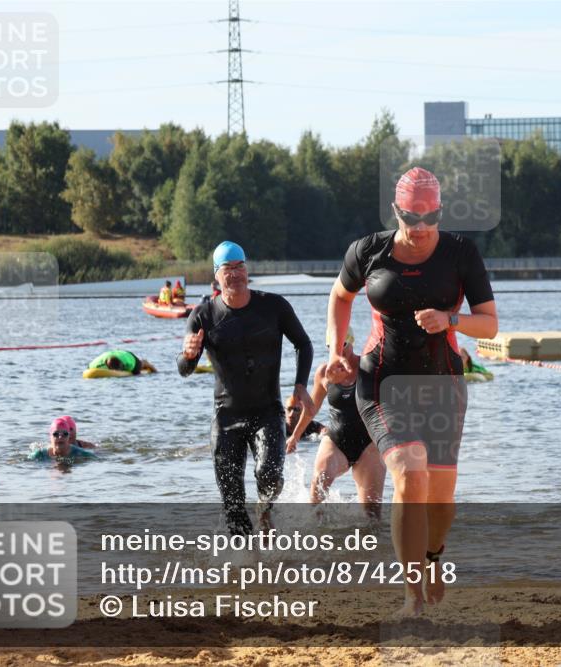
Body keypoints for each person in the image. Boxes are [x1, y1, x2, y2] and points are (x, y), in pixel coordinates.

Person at [325, 167, 498, 615]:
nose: (421, 228)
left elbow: (490, 323)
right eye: (411, 217)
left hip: (442, 383)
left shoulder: (460, 253)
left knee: (441, 496)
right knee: (408, 468)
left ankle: (434, 556)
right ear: (395, 211)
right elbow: (340, 296)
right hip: (382, 380)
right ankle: (411, 594)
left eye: (430, 216)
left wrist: (451, 320)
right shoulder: (368, 250)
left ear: (440, 211)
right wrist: (336, 348)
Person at [178, 240, 314, 535]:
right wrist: (188, 356)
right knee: (232, 504)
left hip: (268, 411)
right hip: (226, 418)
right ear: (216, 275)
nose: (236, 274)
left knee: (270, 477)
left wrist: (301, 385)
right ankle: (245, 569)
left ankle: (264, 511)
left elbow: (303, 343)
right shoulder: (203, 316)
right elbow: (184, 370)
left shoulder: (274, 306)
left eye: (241, 267)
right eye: (229, 268)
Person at [287, 328, 385, 519]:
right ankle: (317, 538)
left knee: (372, 516)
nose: (338, 352)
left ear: (352, 342)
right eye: (332, 347)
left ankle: (368, 547)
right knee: (319, 486)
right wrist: (295, 436)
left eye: (343, 346)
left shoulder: (369, 367)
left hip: (369, 444)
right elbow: (311, 408)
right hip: (336, 438)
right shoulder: (324, 372)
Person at [28, 418, 99, 462]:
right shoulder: (40, 454)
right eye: (56, 434)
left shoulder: (79, 453)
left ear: (68, 436)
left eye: (64, 434)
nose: (60, 437)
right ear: (50, 436)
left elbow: (97, 459)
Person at [88, 350, 156, 375]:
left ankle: (145, 362)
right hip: (110, 354)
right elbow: (88, 368)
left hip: (127, 355)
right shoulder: (95, 364)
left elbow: (137, 373)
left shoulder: (130, 363)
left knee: (140, 366)